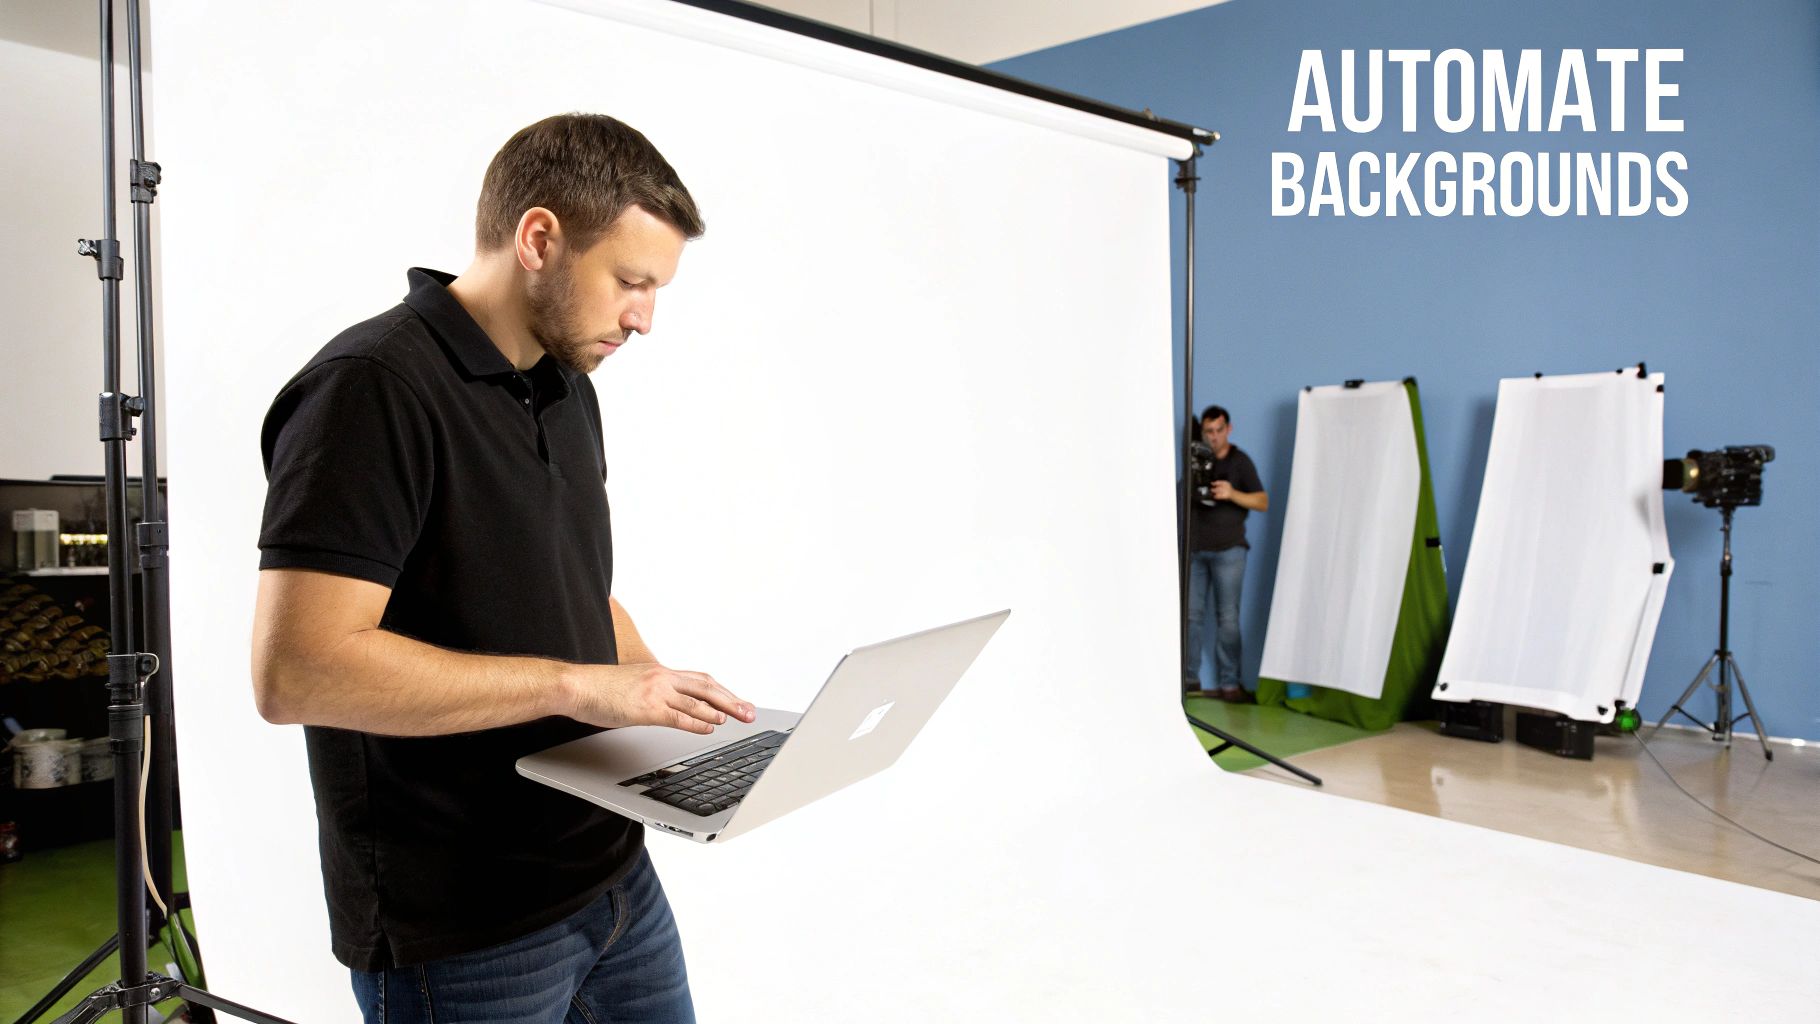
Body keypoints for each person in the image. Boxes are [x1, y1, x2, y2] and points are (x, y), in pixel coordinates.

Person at [249, 114, 750, 1024]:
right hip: (465, 931)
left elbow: (570, 585)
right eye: (631, 282)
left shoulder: (568, 385)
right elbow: (299, 671)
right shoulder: (371, 388)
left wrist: (659, 696)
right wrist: (578, 686)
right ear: (538, 238)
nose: (645, 317)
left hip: (614, 884)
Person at [1184, 404, 1268, 702]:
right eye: (1209, 431)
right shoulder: (1195, 462)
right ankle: (1190, 680)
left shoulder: (1240, 461)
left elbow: (1262, 501)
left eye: (1220, 430)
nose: (1215, 436)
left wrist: (1231, 493)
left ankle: (1230, 683)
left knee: (1227, 618)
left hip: (1230, 551)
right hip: (1195, 551)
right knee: (1191, 617)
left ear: (1228, 429)